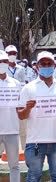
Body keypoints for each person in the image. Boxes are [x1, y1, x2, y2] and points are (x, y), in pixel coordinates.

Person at [17, 51, 56, 182]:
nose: (47, 66)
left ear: (54, 65)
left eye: (49, 63)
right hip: (35, 141)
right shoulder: (28, 88)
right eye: (43, 64)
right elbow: (21, 115)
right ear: (37, 66)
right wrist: (28, 108)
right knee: (34, 177)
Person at [0, 50, 20, 182]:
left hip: (12, 129)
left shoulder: (16, 84)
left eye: (5, 62)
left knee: (14, 166)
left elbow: (20, 106)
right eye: (0, 62)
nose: (3, 64)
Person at [5, 45, 27, 151]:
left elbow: (24, 84)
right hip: (6, 103)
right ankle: (5, 153)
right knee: (6, 129)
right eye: (10, 54)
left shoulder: (21, 69)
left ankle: (25, 151)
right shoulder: (2, 69)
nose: (12, 55)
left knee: (23, 129)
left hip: (19, 102)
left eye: (14, 53)